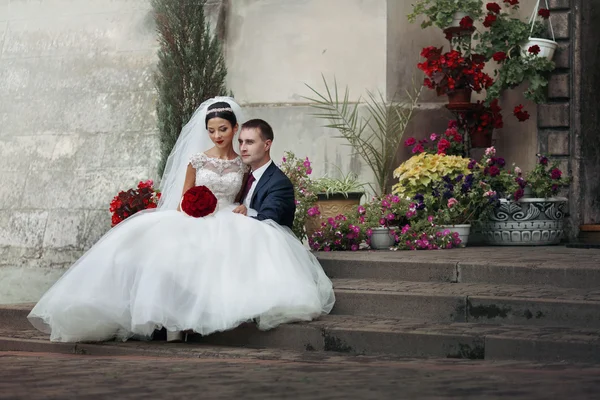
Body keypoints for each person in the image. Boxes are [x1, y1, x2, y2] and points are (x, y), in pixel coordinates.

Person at [27, 97, 335, 343]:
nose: (219, 136)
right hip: (195, 216)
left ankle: (197, 321)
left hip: (228, 216)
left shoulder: (243, 165)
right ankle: (169, 324)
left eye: (225, 130)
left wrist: (238, 209)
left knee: (224, 256)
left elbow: (245, 196)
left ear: (234, 129)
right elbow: (185, 195)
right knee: (168, 252)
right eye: (213, 130)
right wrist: (193, 209)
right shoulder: (198, 159)